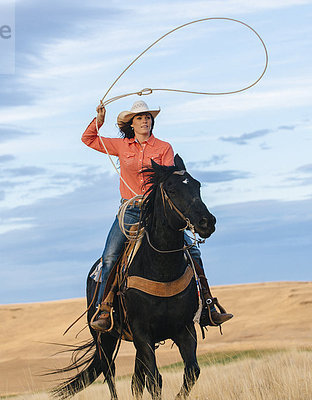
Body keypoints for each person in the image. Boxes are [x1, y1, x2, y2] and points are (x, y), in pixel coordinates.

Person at [81, 100, 233, 332]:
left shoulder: (164, 148)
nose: (145, 121)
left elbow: (169, 181)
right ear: (131, 124)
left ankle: (208, 306)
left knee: (193, 251)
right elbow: (89, 139)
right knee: (110, 256)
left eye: (148, 117)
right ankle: (105, 308)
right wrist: (99, 120)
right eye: (140, 118)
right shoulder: (121, 146)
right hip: (130, 210)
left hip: (157, 212)